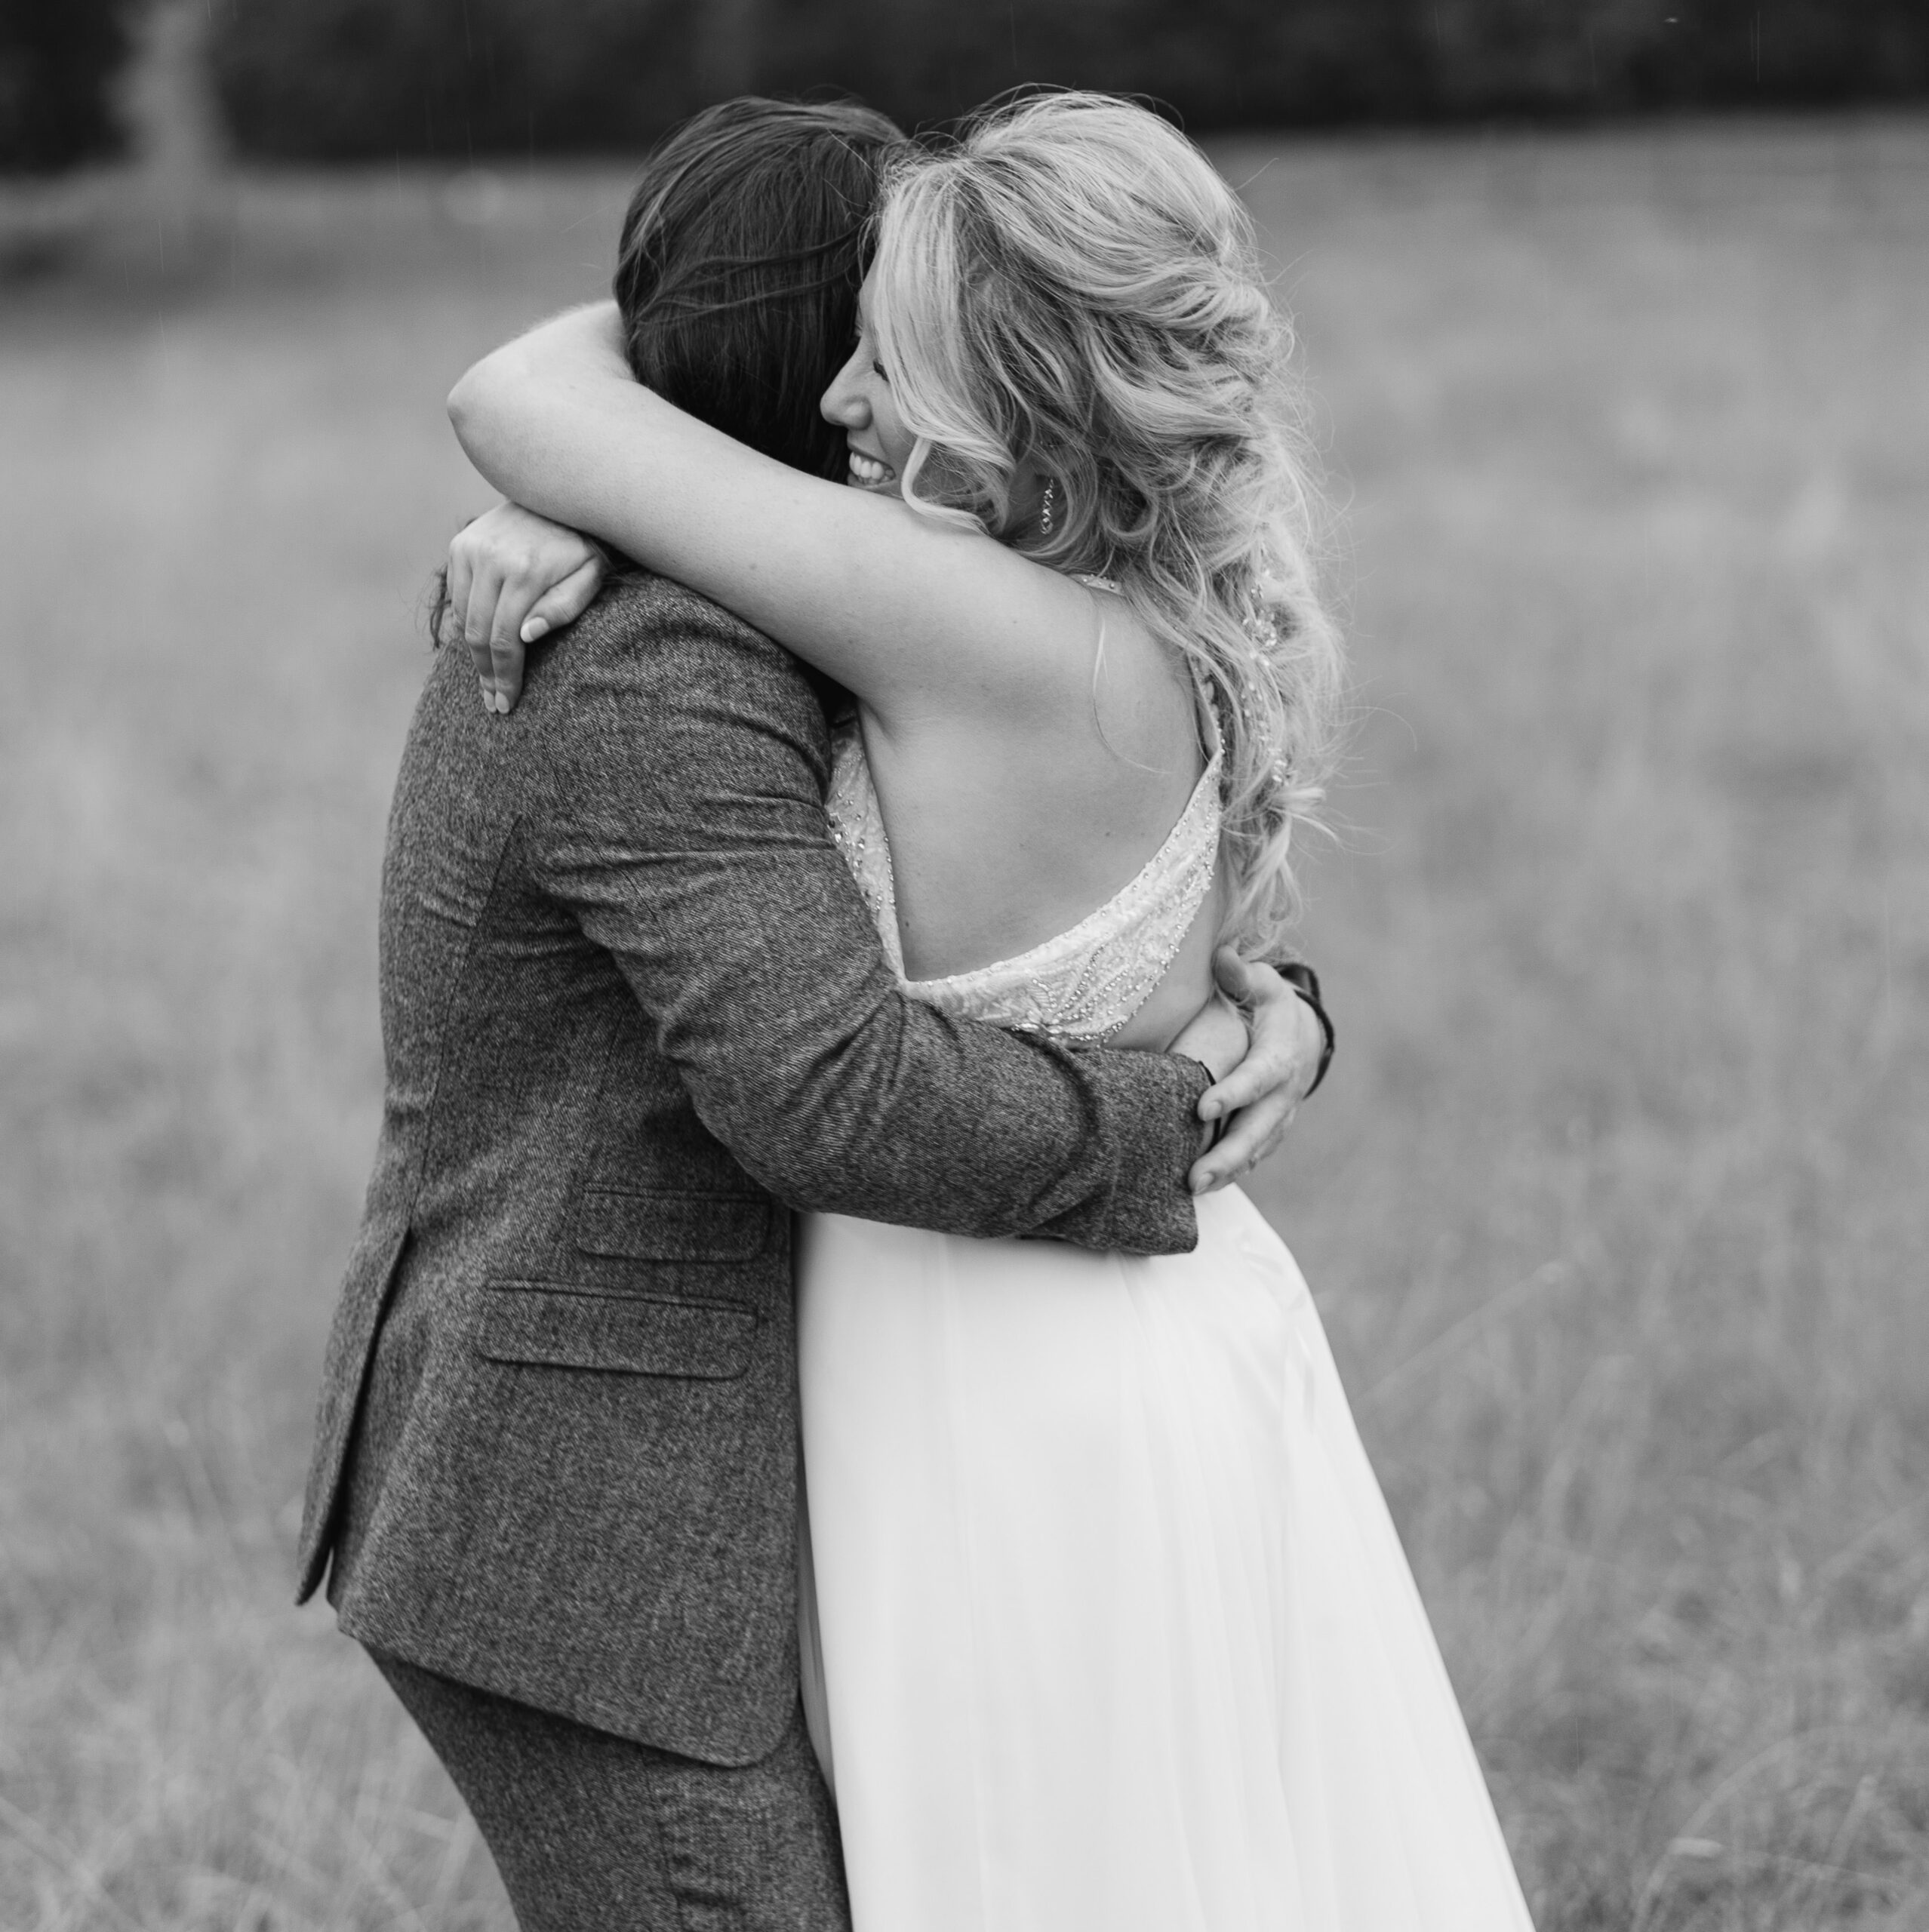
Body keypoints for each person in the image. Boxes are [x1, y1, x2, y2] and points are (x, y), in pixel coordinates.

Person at [454, 92, 1528, 1932]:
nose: (842, 405)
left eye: (891, 364)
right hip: (1167, 1327)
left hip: (995, 1378)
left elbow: (521, 392)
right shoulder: (1145, 616)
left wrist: (555, 505)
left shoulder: (959, 624)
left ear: (1011, 395)